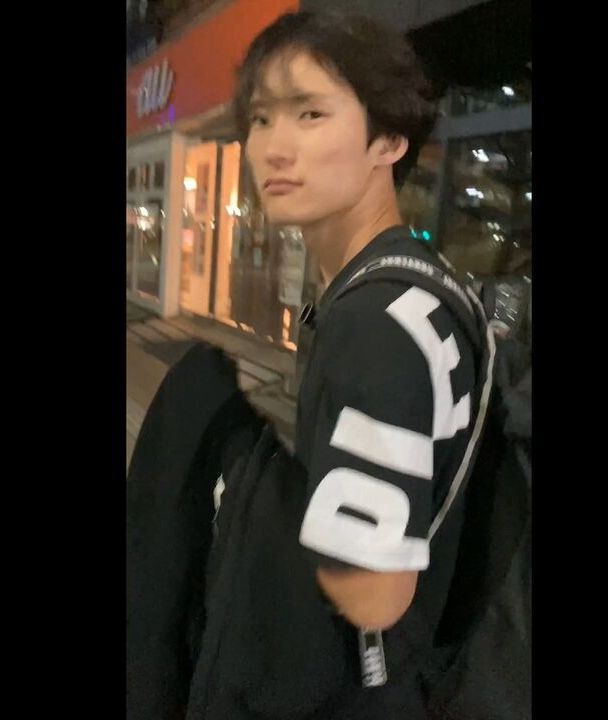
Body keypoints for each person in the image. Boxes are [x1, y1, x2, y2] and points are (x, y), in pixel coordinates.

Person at [230, 11, 484, 717]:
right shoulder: (421, 283)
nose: (273, 147)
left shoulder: (373, 325)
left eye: (310, 113)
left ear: (389, 140)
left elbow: (373, 595)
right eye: (260, 119)